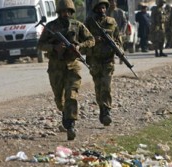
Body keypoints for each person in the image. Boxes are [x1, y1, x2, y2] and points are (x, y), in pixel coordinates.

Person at [37, 0, 95, 140]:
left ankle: (71, 124)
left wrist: (80, 47)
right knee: (59, 99)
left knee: (71, 95)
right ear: (58, 12)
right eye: (63, 11)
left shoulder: (78, 25)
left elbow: (91, 40)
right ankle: (65, 114)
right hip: (56, 67)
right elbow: (40, 45)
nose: (65, 14)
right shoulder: (51, 26)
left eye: (68, 11)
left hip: (72, 66)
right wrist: (54, 48)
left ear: (71, 12)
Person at [84, 0, 122, 126]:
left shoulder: (111, 22)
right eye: (99, 8)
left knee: (106, 86)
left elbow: (118, 39)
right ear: (95, 9)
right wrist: (94, 40)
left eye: (104, 8)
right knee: (99, 87)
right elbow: (82, 42)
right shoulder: (89, 23)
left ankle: (106, 111)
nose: (102, 10)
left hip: (108, 60)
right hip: (94, 60)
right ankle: (102, 108)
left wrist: (118, 48)